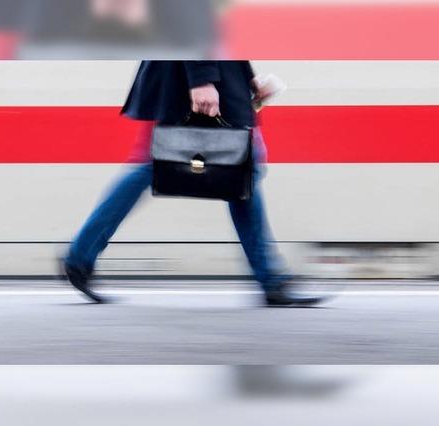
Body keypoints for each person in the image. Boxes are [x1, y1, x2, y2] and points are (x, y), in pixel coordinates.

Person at [62, 60, 323, 307]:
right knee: (236, 165)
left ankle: (80, 256)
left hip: (200, 72)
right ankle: (271, 280)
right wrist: (201, 81)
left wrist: (247, 75)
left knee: (236, 168)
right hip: (192, 75)